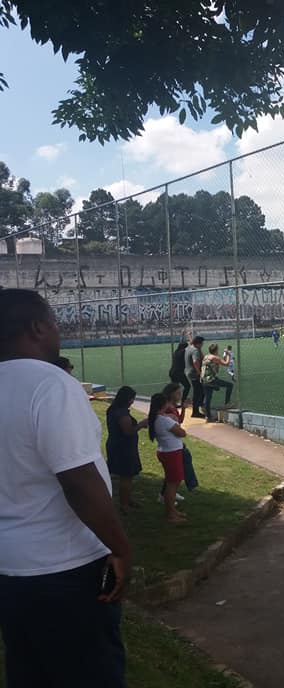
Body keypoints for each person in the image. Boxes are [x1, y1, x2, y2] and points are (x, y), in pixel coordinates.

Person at [0, 289, 130, 686]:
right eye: (55, 323)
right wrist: (120, 548)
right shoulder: (50, 383)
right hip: (64, 570)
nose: (59, 332)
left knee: (30, 672)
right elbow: (78, 480)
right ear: (38, 328)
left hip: (10, 570)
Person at [106, 386, 148, 513]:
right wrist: (141, 424)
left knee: (128, 476)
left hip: (116, 445)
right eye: (132, 399)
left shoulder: (113, 410)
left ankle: (128, 499)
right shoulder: (122, 414)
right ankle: (124, 504)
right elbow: (128, 431)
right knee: (126, 476)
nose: (133, 401)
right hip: (123, 448)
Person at [147, 392, 188, 523]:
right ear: (163, 405)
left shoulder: (156, 418)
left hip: (167, 452)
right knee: (172, 484)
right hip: (171, 453)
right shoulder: (164, 420)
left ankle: (173, 511)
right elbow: (182, 433)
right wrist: (172, 420)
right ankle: (170, 514)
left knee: (173, 481)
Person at [200, 343, 234, 421]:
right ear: (216, 350)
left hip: (203, 379)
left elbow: (216, 368)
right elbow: (226, 363)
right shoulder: (215, 358)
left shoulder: (206, 356)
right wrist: (228, 354)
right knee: (230, 385)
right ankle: (227, 404)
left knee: (208, 397)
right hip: (211, 379)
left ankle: (208, 417)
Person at [185, 335, 206, 418]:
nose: (202, 345)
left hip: (188, 372)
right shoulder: (195, 350)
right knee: (198, 392)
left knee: (199, 391)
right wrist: (199, 372)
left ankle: (198, 406)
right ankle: (195, 411)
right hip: (194, 373)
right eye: (201, 343)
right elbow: (195, 361)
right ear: (198, 343)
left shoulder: (189, 348)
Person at [169, 340, 191, 404]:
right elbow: (187, 349)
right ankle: (183, 401)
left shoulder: (176, 352)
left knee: (174, 389)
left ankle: (172, 402)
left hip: (173, 372)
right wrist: (190, 342)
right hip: (178, 373)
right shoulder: (182, 352)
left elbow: (182, 344)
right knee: (187, 386)